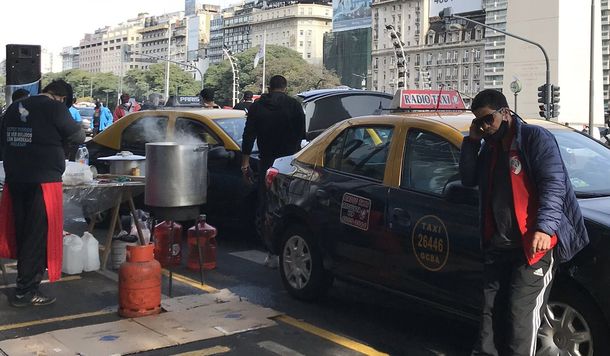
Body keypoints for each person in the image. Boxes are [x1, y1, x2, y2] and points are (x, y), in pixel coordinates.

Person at [459, 89, 589, 355]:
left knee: (521, 316)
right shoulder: (489, 148)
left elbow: (554, 184)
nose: (484, 127)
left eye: (488, 120)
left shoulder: (534, 139)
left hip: (533, 248)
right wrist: (471, 142)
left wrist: (544, 228)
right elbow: (469, 179)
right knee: (490, 315)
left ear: (505, 113)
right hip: (498, 245)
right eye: (478, 122)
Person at [0, 79, 85, 307]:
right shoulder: (55, 107)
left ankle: (24, 284)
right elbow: (78, 137)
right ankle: (25, 291)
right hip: (43, 182)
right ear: (62, 98)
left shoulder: (13, 108)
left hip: (16, 179)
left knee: (22, 231)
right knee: (36, 236)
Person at [241, 75, 305, 267]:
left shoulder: (257, 107)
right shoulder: (294, 105)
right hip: (289, 163)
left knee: (266, 205)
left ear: (269, 88)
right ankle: (286, 248)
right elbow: (302, 135)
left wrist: (245, 164)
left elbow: (248, 136)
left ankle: (271, 252)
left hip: (266, 161)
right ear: (285, 88)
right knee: (289, 205)